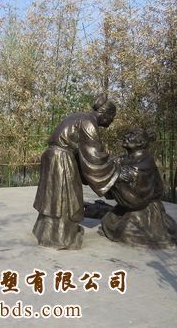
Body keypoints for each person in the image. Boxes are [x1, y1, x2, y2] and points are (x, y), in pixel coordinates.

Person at [32, 94, 121, 250]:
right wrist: (114, 168)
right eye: (112, 118)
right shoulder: (88, 123)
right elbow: (94, 154)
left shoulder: (80, 116)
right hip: (62, 159)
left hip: (52, 156)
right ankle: (61, 237)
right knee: (65, 198)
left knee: (53, 198)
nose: (111, 122)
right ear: (105, 114)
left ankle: (45, 231)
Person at [100, 128, 177, 249]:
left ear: (141, 142)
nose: (126, 136)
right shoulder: (122, 159)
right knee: (108, 220)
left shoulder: (146, 161)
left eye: (132, 134)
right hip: (127, 205)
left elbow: (134, 180)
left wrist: (116, 174)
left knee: (128, 229)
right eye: (127, 134)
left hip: (143, 205)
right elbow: (109, 167)